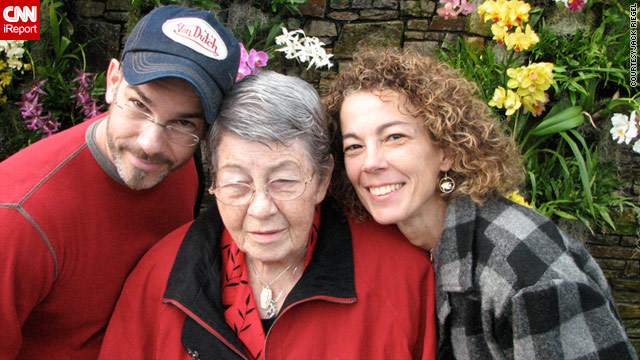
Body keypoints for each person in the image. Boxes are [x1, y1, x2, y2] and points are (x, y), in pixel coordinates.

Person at [98, 70, 436, 360]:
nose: (260, 208)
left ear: (321, 179)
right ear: (214, 181)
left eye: (284, 182)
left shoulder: (401, 281)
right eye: (236, 184)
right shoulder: (160, 279)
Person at [324, 47, 638, 359]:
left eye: (394, 137)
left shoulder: (522, 271)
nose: (370, 162)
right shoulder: (408, 247)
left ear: (446, 150)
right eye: (354, 146)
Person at [0, 6, 240, 359]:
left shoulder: (180, 169)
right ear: (112, 82)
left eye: (183, 123)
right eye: (140, 105)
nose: (151, 143)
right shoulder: (20, 218)